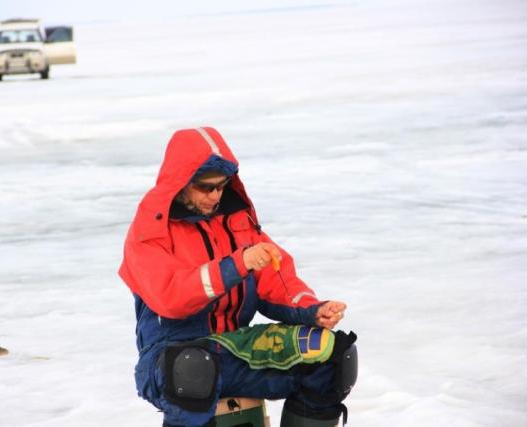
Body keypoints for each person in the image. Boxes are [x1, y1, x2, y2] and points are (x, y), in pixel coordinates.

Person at [119, 127, 358, 427]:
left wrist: (313, 309)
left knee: (333, 356)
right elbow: (172, 297)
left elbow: (276, 280)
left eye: (222, 186)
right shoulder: (149, 232)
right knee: (192, 370)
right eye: (206, 187)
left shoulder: (237, 222)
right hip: (169, 358)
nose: (216, 195)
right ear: (180, 184)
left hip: (233, 348)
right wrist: (235, 265)